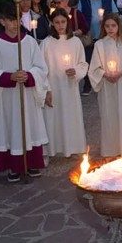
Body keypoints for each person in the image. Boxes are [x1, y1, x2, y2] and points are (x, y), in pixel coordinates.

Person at [0, 3, 49, 182]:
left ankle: (31, 163)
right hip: (7, 96)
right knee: (10, 128)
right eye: (10, 20)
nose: (14, 24)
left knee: (29, 126)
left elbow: (41, 68)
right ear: (2, 21)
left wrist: (29, 75)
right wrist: (9, 77)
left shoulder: (29, 42)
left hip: (26, 94)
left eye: (17, 20)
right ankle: (13, 166)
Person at [88, 13, 122, 157]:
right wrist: (105, 74)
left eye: (113, 26)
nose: (110, 29)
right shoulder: (99, 45)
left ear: (119, 26)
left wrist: (121, 72)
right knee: (108, 116)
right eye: (107, 26)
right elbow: (93, 68)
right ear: (103, 27)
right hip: (106, 86)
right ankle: (110, 150)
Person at [40, 9, 88, 158]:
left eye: (63, 22)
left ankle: (73, 147)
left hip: (69, 86)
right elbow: (41, 69)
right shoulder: (46, 43)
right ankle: (50, 150)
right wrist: (46, 89)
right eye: (57, 22)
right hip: (53, 86)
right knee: (52, 118)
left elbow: (83, 63)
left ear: (68, 22)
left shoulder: (75, 41)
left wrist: (76, 71)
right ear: (52, 24)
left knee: (71, 116)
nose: (60, 25)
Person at [78, 0, 117, 95]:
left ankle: (104, 81)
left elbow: (115, 14)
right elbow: (79, 16)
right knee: (88, 60)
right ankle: (88, 84)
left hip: (105, 33)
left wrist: (106, 20)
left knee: (104, 59)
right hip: (90, 35)